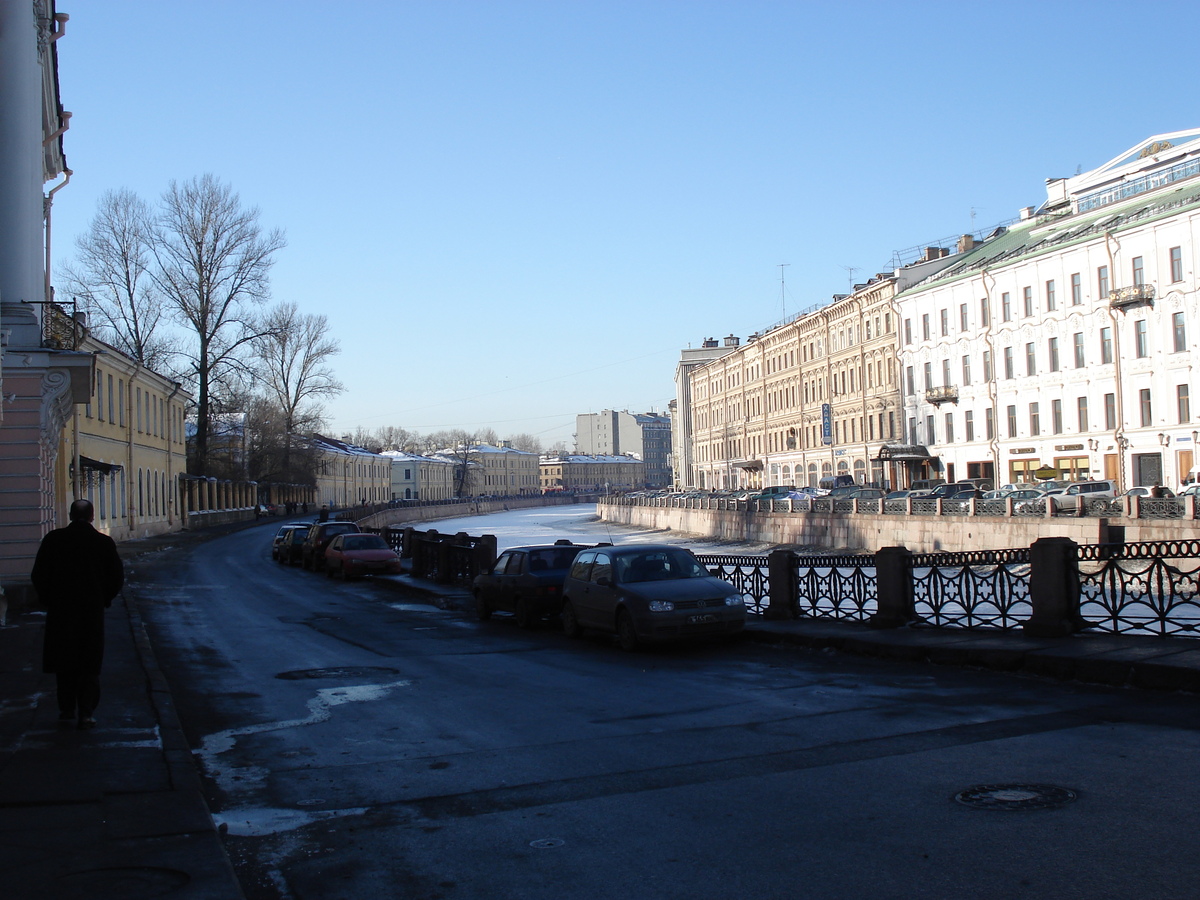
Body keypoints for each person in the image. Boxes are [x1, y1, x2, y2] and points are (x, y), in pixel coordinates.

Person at [31, 499, 124, 730]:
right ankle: (87, 712)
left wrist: (48, 599)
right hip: (91, 612)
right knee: (89, 661)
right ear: (92, 516)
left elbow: (39, 574)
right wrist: (105, 598)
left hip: (61, 612)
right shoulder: (103, 543)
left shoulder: (54, 540)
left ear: (70, 515)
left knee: (64, 660)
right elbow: (116, 577)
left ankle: (66, 708)